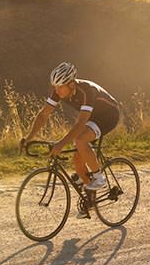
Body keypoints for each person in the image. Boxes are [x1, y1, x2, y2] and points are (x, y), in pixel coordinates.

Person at [22, 62, 120, 216]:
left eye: (60, 87)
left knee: (80, 140)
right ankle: (90, 202)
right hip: (92, 117)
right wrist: (29, 137)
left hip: (109, 115)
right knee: (77, 159)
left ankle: (98, 178)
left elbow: (81, 124)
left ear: (71, 84)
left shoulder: (87, 91)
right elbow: (43, 115)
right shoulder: (58, 91)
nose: (56, 90)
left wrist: (61, 144)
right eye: (54, 86)